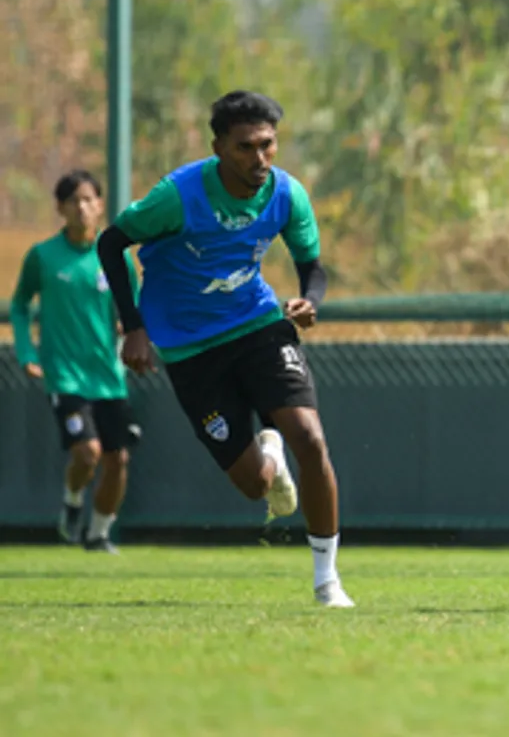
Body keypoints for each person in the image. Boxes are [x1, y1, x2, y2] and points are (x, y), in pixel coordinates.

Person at [97, 90, 354, 608]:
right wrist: (135, 326)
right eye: (245, 148)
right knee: (254, 487)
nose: (259, 159)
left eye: (268, 145)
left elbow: (312, 265)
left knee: (310, 437)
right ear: (218, 147)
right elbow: (111, 242)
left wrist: (311, 299)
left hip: (258, 324)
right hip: (190, 349)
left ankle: (327, 581)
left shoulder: (286, 194)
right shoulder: (179, 195)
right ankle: (268, 454)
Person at [10, 170, 141, 553]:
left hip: (109, 375)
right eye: (74, 201)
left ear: (100, 206)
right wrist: (26, 352)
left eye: (89, 200)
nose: (82, 208)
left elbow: (133, 308)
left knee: (118, 461)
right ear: (61, 209)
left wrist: (131, 329)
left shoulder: (115, 257)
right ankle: (72, 501)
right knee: (88, 453)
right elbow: (19, 306)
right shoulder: (43, 256)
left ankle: (98, 533)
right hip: (65, 374)